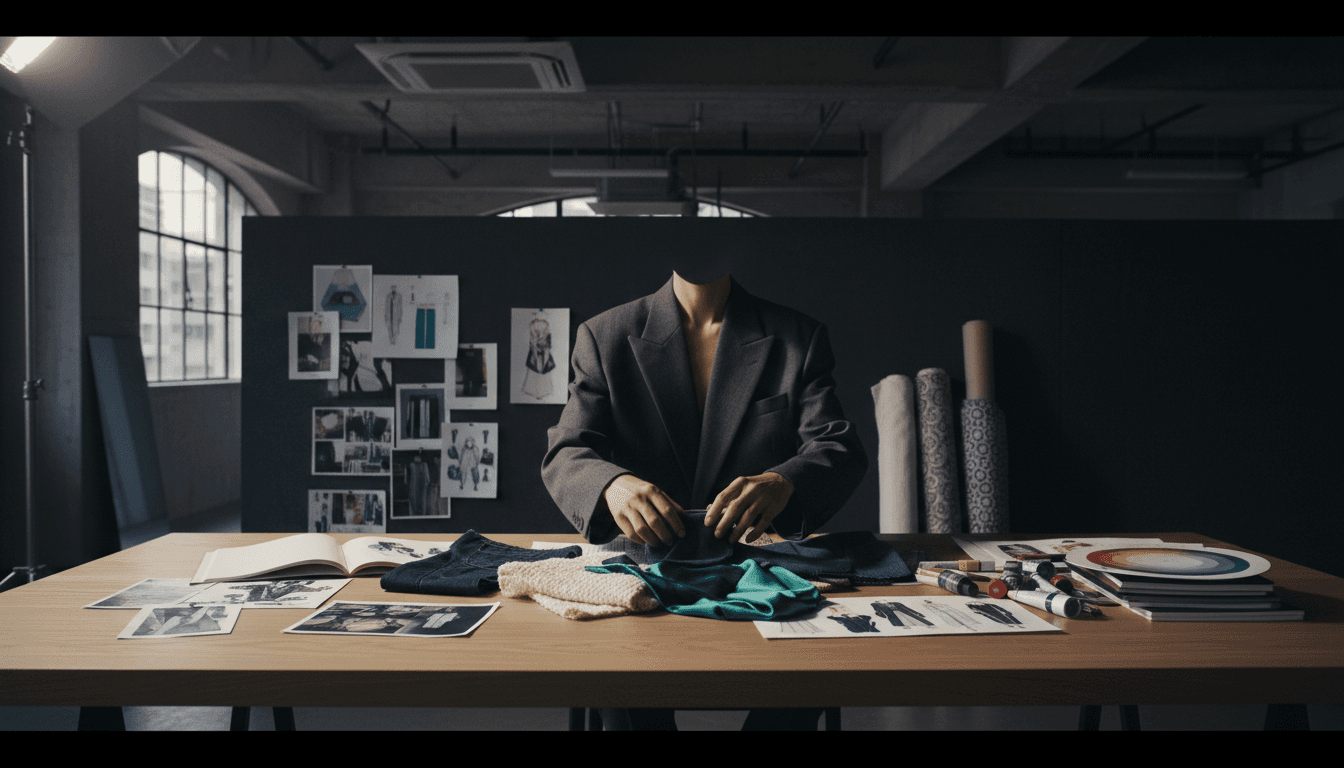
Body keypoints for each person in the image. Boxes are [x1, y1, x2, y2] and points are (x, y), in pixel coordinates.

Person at [541, 260, 867, 730]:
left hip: (760, 572)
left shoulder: (797, 335)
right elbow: (568, 450)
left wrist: (784, 481)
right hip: (641, 572)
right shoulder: (604, 335)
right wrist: (611, 485)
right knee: (618, 688)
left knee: (808, 680)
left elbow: (839, 447)